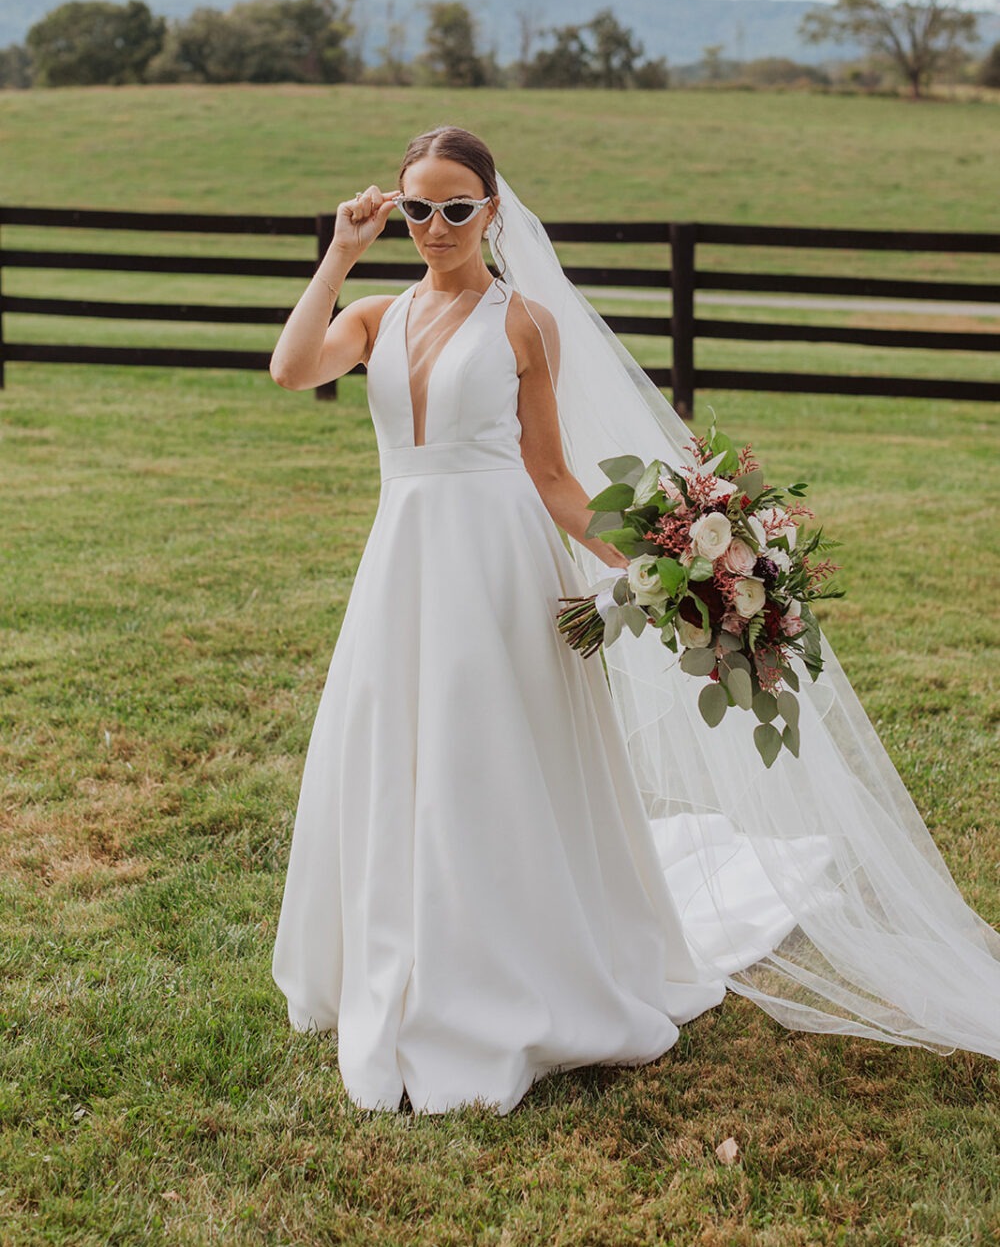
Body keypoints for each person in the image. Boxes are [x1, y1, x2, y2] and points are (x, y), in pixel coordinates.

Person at [270, 126, 1000, 1115]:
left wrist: (667, 571)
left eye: (454, 207)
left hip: (502, 562)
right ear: (395, 212)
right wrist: (340, 252)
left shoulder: (525, 323)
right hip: (404, 560)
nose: (434, 226)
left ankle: (514, 960)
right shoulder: (371, 312)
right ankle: (408, 956)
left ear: (491, 212)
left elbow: (557, 480)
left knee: (494, 752)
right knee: (399, 745)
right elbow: (289, 368)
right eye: (416, 208)